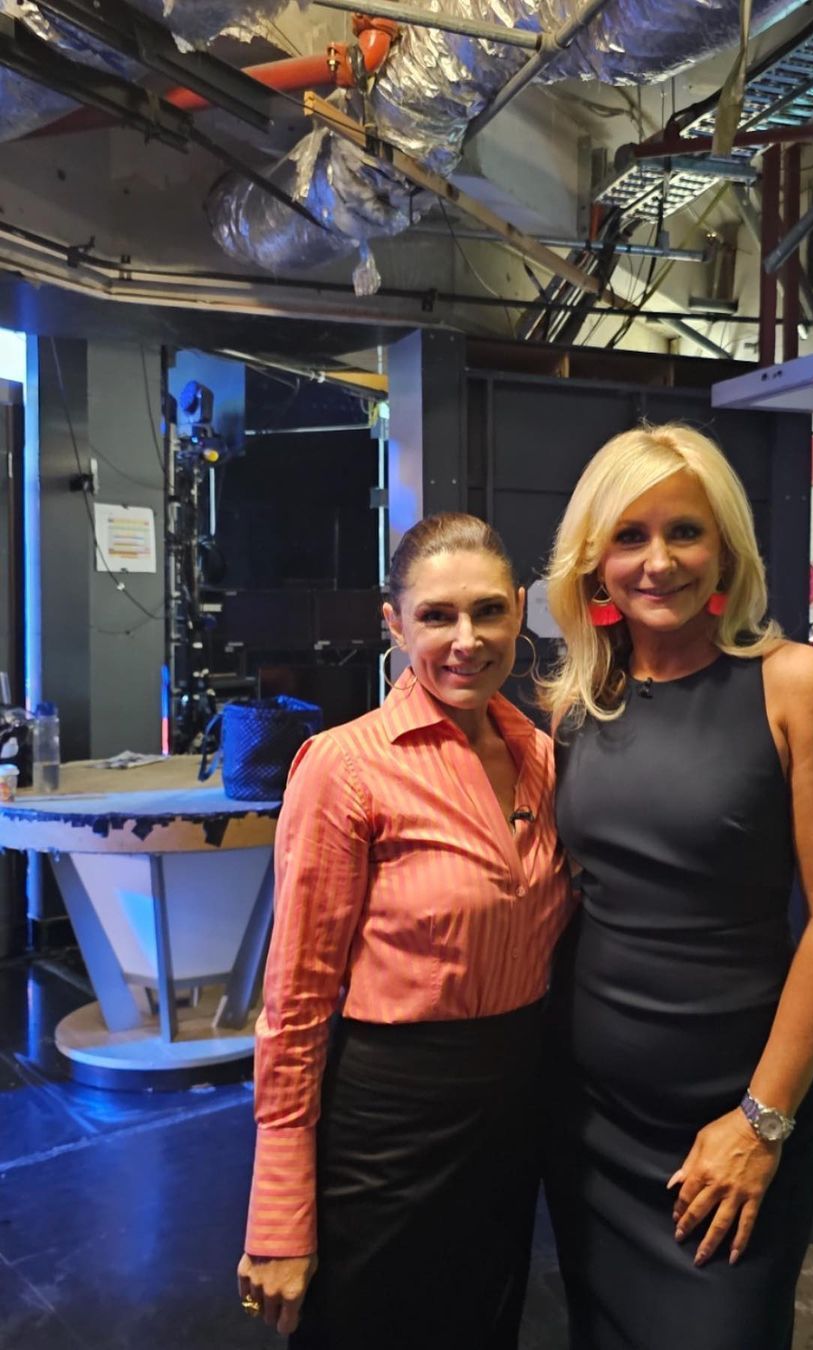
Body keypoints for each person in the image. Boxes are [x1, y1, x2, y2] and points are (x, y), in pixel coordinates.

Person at [538, 424, 813, 1350]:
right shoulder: (578, 704)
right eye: (630, 536)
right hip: (590, 1120)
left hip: (734, 1118)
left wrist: (762, 1124)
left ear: (725, 547)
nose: (658, 562)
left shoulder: (796, 684)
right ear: (594, 559)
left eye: (684, 531)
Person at [236, 513, 572, 1349]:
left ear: (520, 609)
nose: (467, 640)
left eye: (488, 611)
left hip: (513, 1106)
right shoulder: (346, 767)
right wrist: (279, 1209)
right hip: (391, 1115)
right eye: (436, 616)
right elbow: (296, 1000)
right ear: (394, 624)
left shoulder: (542, 756)